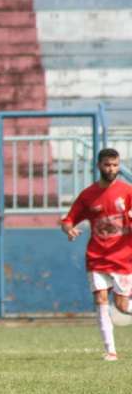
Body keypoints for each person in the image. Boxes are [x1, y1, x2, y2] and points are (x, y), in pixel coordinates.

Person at [60, 147, 132, 361]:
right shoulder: (88, 195)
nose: (112, 169)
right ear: (99, 166)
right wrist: (69, 229)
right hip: (97, 257)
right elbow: (68, 219)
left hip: (123, 257)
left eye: (115, 165)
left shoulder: (127, 192)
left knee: (121, 305)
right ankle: (110, 350)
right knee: (100, 300)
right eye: (108, 165)